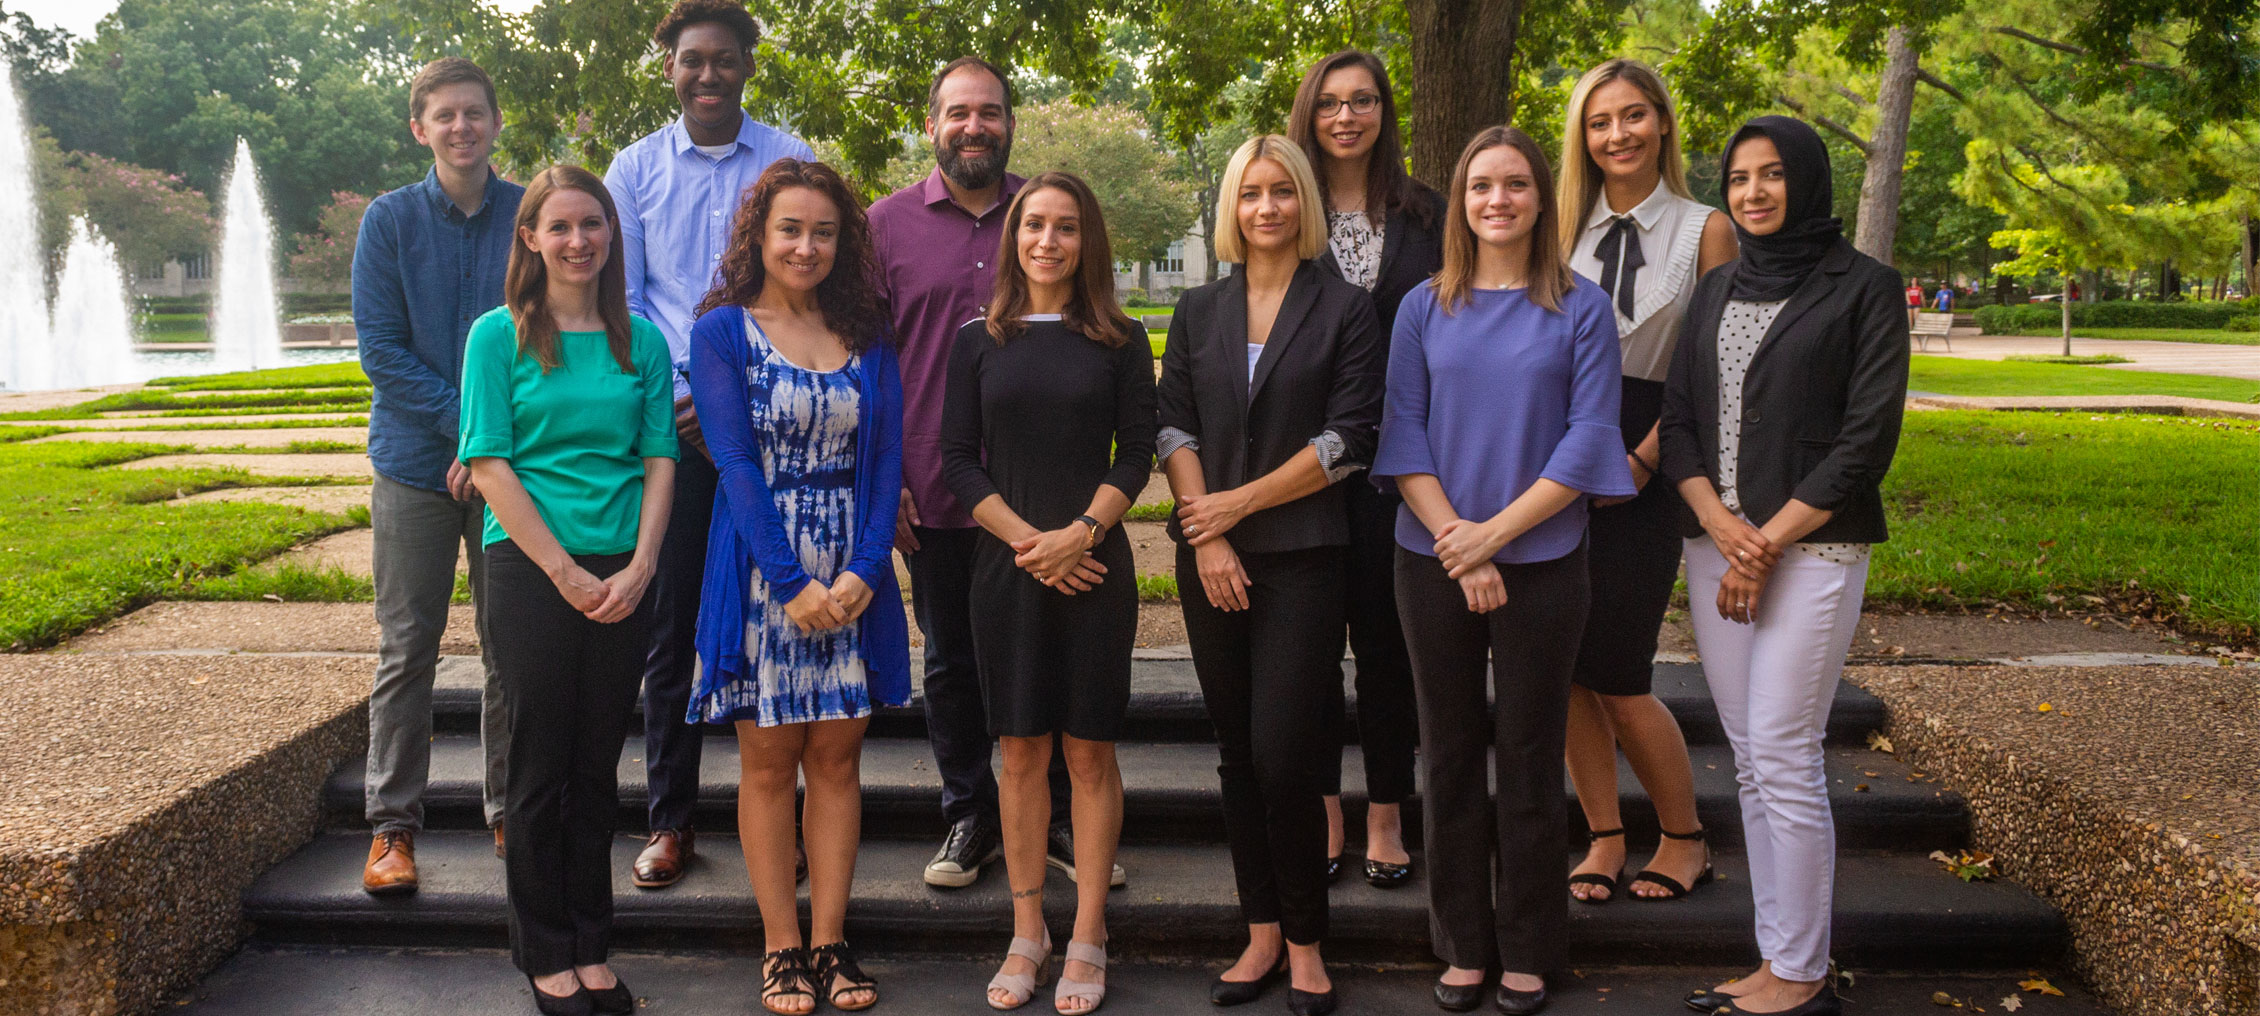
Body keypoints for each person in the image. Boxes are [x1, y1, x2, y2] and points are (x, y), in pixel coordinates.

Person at [1371, 126, 1635, 1016]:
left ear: (1539, 198)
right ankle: (1461, 943)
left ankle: (1529, 944)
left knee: (1527, 756)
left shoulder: (1582, 307)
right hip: (1430, 555)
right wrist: (1460, 540)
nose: (1497, 200)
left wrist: (1496, 540)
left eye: (1515, 184)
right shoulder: (1422, 306)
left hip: (1547, 560)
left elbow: (1591, 437)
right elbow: (1401, 435)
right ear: (1461, 200)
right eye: (1480, 185)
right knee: (1446, 755)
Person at [1660, 116, 1908, 1016]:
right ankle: (1777, 958)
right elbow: (1680, 422)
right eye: (1738, 178)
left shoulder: (1866, 287)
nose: (1754, 192)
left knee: (1784, 749)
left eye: (1772, 175)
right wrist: (1719, 525)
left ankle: (1802, 977)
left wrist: (1760, 543)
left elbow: (1863, 443)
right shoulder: (1718, 287)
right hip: (1712, 543)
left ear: (1807, 181)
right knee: (1753, 761)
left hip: (1812, 548)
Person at [1158, 136, 1382, 1016]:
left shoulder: (1347, 308)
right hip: (1208, 557)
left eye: (1282, 192)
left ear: (1304, 205)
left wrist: (1237, 507)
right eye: (1250, 193)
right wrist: (1206, 534)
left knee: (1285, 754)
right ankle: (1258, 935)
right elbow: (1173, 427)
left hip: (1304, 556)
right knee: (1235, 755)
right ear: (1232, 206)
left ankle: (1306, 941)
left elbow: (1347, 439)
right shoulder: (1196, 308)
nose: (1266, 208)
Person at [867, 57, 1098, 892]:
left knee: (1052, 658)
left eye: (990, 112)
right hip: (934, 487)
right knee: (953, 661)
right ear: (931, 124)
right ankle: (970, 812)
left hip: (1046, 497)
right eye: (958, 112)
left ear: (1010, 122)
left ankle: (1059, 818)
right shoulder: (882, 227)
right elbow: (870, 362)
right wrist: (883, 475)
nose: (975, 126)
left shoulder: (1048, 214)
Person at [684, 159, 907, 1015]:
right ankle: (781, 948)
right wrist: (788, 580)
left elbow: (884, 461)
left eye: (824, 231)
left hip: (852, 575)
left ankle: (832, 940)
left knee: (839, 762)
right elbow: (735, 461)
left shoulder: (869, 332)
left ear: (843, 239)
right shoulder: (722, 333)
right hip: (758, 574)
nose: (807, 245)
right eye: (790, 229)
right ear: (759, 235)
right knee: (770, 764)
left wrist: (862, 569)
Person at [602, 0, 816, 891]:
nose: (708, 74)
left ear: (746, 67)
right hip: (679, 425)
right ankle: (671, 819)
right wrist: (688, 393)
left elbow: (808, 276)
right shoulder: (634, 168)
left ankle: (788, 823)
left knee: (783, 617)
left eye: (724, 59)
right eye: (693, 60)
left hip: (775, 425)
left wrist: (746, 391)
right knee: (673, 625)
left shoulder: (790, 158)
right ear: (671, 69)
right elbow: (626, 295)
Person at [458, 166, 679, 1016]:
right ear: (531, 238)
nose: (579, 240)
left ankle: (592, 944)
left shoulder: (642, 341)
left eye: (594, 224)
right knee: (542, 765)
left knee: (597, 767)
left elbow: (660, 457)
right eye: (561, 227)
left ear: (611, 235)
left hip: (624, 571)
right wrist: (565, 573)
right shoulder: (497, 335)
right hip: (530, 570)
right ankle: (544, 950)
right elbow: (488, 461)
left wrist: (642, 565)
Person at [939, 172, 1155, 1014]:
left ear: (1086, 240)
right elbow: (959, 459)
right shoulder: (977, 339)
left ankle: (1091, 932)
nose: (1047, 241)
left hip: (1095, 570)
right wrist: (1033, 542)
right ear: (1014, 236)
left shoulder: (1120, 337)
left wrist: (1081, 535)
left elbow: (1135, 453)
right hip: (1009, 569)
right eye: (1034, 225)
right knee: (1020, 753)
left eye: (1066, 227)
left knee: (1089, 754)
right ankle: (1028, 933)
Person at [1555, 58, 1739, 906]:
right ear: (1582, 138)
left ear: (1663, 123)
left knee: (1621, 672)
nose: (1618, 135)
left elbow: (1708, 372)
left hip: (1646, 458)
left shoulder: (1707, 229)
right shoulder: (1559, 229)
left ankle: (1684, 835)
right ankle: (1603, 835)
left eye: (1634, 117)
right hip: (1555, 464)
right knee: (1563, 672)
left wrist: (1640, 459)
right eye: (1600, 122)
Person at [353, 56, 523, 894]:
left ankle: (508, 813)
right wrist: (467, 427)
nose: (462, 127)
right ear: (420, 128)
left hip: (514, 475)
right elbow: (381, 353)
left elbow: (548, 335)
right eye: (444, 116)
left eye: (474, 113)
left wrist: (490, 442)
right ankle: (393, 827)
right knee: (408, 647)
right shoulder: (387, 222)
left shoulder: (531, 215)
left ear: (496, 122)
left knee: (510, 648)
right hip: (417, 467)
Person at [1284, 50, 1440, 885]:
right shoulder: (1285, 209)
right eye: (1331, 103)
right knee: (1306, 650)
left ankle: (1386, 809)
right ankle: (1323, 808)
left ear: (1384, 111)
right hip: (1302, 466)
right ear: (1310, 114)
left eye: (1364, 100)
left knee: (1388, 646)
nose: (1346, 116)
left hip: (1404, 467)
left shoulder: (1428, 214)